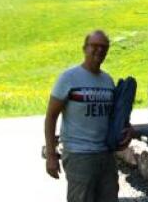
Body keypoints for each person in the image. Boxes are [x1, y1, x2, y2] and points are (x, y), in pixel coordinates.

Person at [44, 30, 134, 202]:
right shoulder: (68, 78)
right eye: (94, 46)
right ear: (85, 48)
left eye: (104, 47)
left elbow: (114, 117)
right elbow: (51, 117)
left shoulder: (108, 80)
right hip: (79, 156)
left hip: (106, 155)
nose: (99, 50)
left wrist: (128, 128)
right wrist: (50, 155)